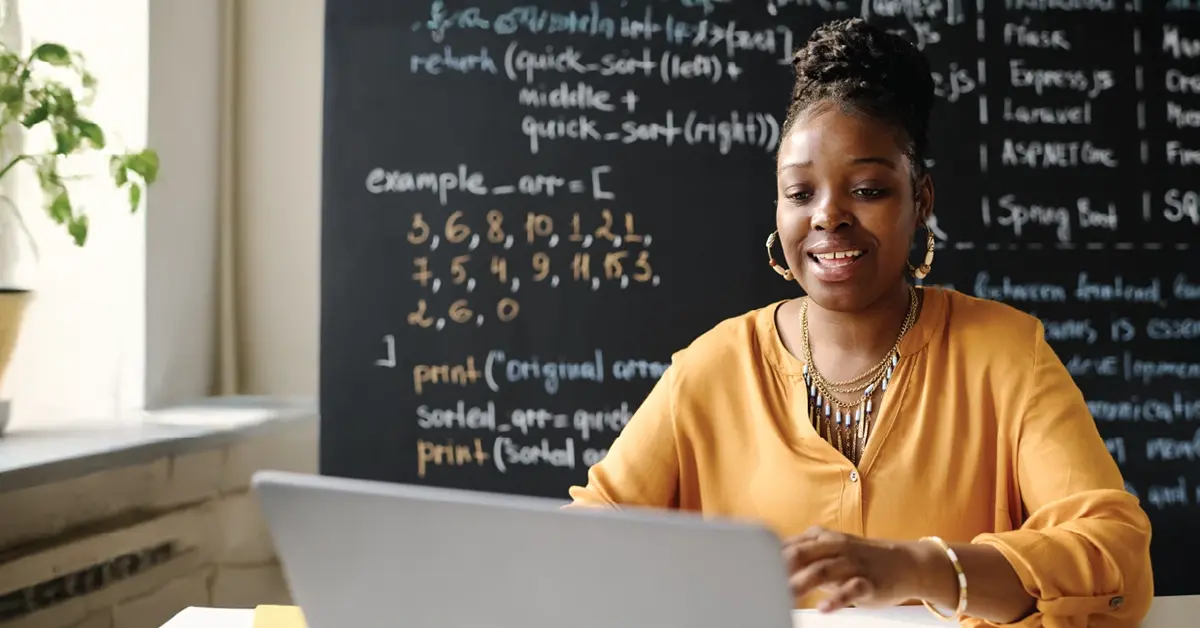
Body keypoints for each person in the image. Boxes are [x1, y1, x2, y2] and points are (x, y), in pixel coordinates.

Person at [567, 17, 1153, 628]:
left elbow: (1115, 559)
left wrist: (913, 569)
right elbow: (581, 546)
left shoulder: (1006, 355)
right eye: (800, 194)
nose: (828, 217)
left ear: (920, 198)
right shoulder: (712, 368)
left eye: (868, 189)